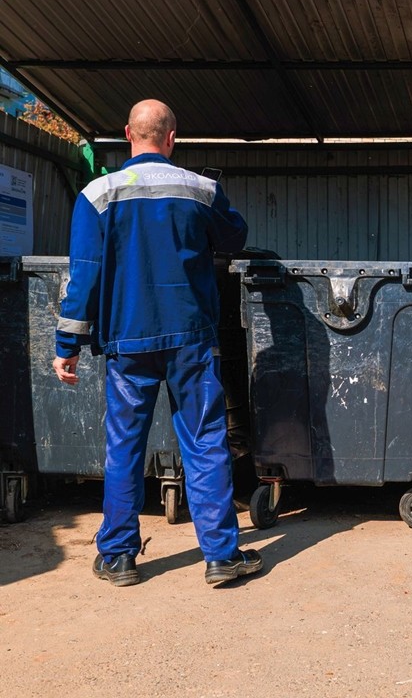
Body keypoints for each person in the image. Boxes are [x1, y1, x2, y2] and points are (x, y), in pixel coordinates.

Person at [51, 99, 263, 587]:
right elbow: (234, 239)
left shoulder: (97, 195)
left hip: (127, 342)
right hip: (191, 338)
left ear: (128, 133)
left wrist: (67, 345)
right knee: (205, 439)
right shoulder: (201, 189)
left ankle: (120, 556)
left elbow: (82, 280)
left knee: (124, 445)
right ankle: (221, 557)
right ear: (172, 137)